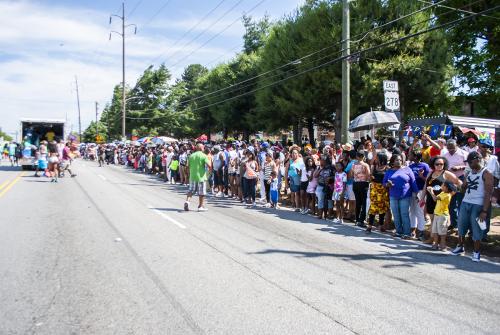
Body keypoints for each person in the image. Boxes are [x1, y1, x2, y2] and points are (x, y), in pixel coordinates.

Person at [452, 151, 494, 262]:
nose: (469, 164)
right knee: (461, 225)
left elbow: (488, 194)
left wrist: (484, 211)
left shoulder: (487, 173)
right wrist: (458, 185)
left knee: (477, 229)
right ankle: (460, 246)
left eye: (470, 161)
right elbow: (464, 187)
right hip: (466, 202)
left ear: (477, 159)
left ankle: (476, 252)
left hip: (478, 204)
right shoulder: (470, 172)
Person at [383, 154, 419, 239]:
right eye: (396, 160)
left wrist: (417, 194)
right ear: (392, 161)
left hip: (405, 196)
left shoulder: (407, 169)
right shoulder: (389, 171)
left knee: (404, 214)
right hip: (393, 195)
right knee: (396, 214)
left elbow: (413, 182)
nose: (398, 161)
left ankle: (407, 233)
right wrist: (387, 184)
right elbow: (384, 183)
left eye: (400, 160)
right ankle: (399, 231)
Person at [443, 139, 468, 230]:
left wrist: (460, 167)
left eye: (452, 148)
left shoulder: (463, 153)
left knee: (461, 201)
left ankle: (462, 224)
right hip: (450, 180)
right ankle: (454, 223)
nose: (450, 150)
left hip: (461, 178)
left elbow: (469, 166)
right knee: (451, 202)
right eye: (449, 148)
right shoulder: (445, 155)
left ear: (456, 145)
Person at [408, 150, 430, 239]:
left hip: (421, 192)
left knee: (420, 211)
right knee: (411, 211)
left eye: (411, 155)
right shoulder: (410, 166)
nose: (409, 156)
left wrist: (421, 176)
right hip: (411, 191)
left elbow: (428, 181)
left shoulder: (425, 166)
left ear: (416, 157)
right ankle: (413, 230)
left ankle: (421, 232)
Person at [427, 181, 455, 250]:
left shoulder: (447, 195)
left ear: (447, 188)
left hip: (442, 215)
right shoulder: (442, 193)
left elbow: (435, 199)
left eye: (443, 185)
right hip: (437, 214)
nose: (441, 186)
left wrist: (431, 191)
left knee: (442, 232)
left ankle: (443, 245)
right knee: (435, 231)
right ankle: (436, 244)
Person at [184, 143, 211, 212]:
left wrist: (187, 174)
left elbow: (187, 166)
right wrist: (210, 171)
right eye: (203, 147)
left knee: (191, 190)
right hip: (201, 176)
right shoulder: (204, 155)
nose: (203, 148)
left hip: (192, 176)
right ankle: (200, 206)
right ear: (201, 148)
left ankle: (187, 201)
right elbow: (209, 165)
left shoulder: (191, 156)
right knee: (201, 192)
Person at [366, 153, 389, 233]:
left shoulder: (387, 168)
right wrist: (371, 177)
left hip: (383, 190)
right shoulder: (374, 167)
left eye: (377, 158)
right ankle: (369, 226)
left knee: (382, 208)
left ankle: (381, 226)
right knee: (373, 208)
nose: (376, 159)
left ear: (382, 159)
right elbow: (369, 178)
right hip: (374, 189)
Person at [351, 151, 371, 226]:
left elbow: (352, 175)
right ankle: (361, 220)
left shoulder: (353, 165)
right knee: (364, 202)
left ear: (357, 156)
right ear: (363, 157)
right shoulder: (365, 165)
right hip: (363, 184)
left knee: (358, 202)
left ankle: (357, 219)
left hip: (356, 184)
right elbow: (368, 175)